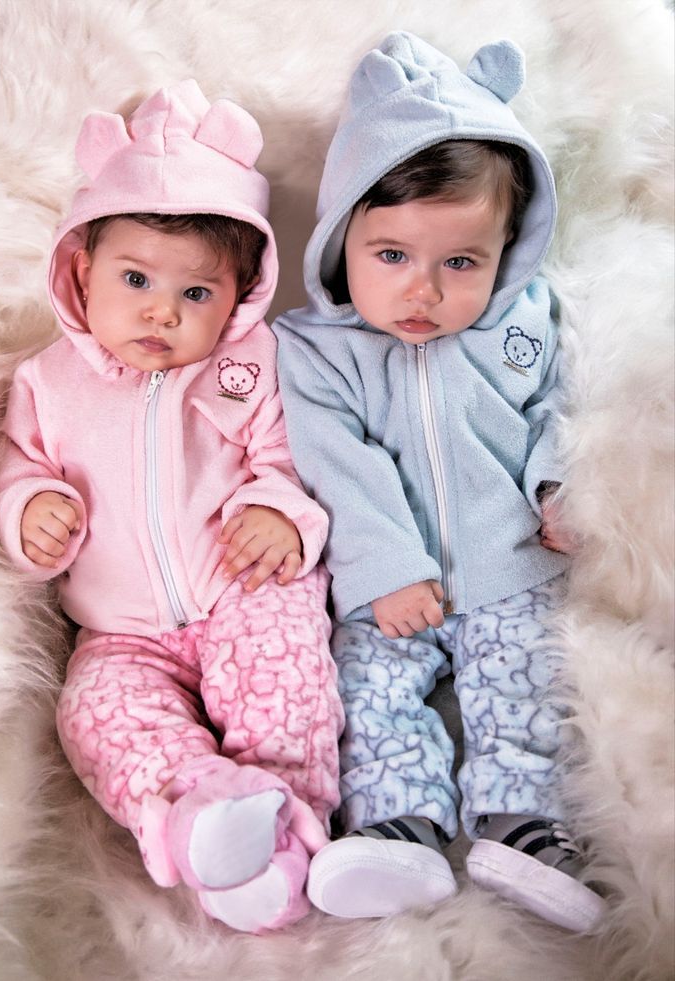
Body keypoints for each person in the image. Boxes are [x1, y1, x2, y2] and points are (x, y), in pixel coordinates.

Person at [0, 80, 344, 935]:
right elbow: (17, 468)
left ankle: (292, 826)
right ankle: (201, 812)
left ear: (241, 293)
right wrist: (30, 507)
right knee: (94, 712)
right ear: (83, 272)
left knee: (282, 670)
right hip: (121, 632)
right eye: (136, 278)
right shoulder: (48, 382)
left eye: (196, 294)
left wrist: (277, 508)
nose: (161, 310)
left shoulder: (249, 363)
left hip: (240, 589)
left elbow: (291, 455)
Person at [273, 33, 605, 931]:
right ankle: (398, 828)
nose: (422, 292)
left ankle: (524, 826)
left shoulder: (523, 323)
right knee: (370, 693)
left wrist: (555, 486)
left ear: (506, 252)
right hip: (382, 582)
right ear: (342, 236)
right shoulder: (314, 351)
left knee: (527, 686)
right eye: (392, 256)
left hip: (508, 561)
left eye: (460, 263)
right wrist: (386, 569)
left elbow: (558, 406)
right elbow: (335, 463)